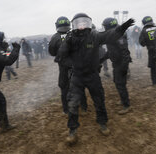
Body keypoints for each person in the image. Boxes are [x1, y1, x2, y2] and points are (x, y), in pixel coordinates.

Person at [58, 13, 135, 144]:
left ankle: (102, 123)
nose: (81, 26)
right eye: (79, 23)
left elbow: (110, 35)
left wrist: (122, 27)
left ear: (88, 23)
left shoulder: (94, 36)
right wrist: (72, 64)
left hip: (92, 75)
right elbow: (61, 56)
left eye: (84, 23)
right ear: (74, 25)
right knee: (72, 103)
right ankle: (72, 131)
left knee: (99, 100)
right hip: (77, 77)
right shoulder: (70, 39)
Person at [49, 16, 87, 114]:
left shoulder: (55, 37)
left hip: (64, 68)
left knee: (64, 87)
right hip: (77, 66)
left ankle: (66, 110)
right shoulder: (76, 34)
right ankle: (83, 107)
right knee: (79, 86)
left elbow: (52, 52)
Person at [102, 17, 132, 115]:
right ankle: (124, 100)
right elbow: (111, 51)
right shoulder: (113, 34)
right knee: (118, 82)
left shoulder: (118, 35)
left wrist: (124, 67)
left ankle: (126, 105)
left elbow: (125, 52)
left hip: (120, 64)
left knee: (120, 84)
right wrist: (101, 59)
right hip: (117, 63)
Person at [139, 16, 156, 86]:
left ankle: (155, 82)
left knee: (153, 68)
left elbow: (141, 42)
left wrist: (147, 44)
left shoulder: (144, 30)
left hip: (151, 51)